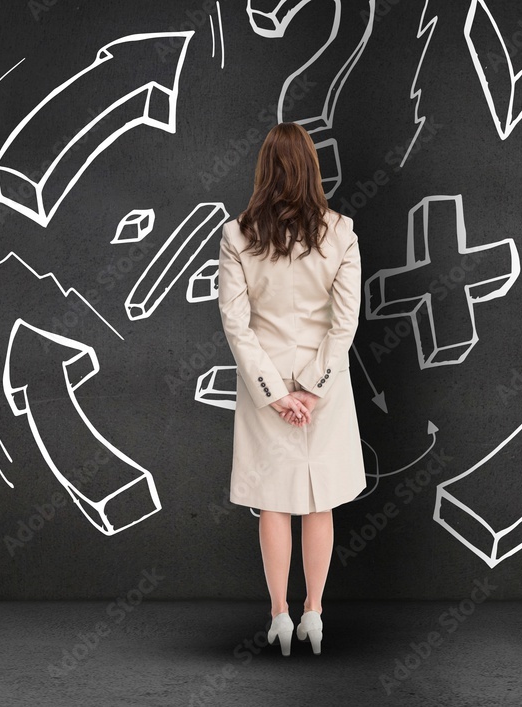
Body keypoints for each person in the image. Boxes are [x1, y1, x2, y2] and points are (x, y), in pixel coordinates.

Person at [217, 122, 366, 657]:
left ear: (264, 169)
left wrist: (275, 392)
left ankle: (279, 614)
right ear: (311, 167)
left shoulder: (238, 235)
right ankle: (315, 614)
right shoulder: (341, 232)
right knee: (319, 502)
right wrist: (314, 388)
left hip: (267, 388)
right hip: (324, 389)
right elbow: (344, 324)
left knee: (274, 503)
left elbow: (237, 325)